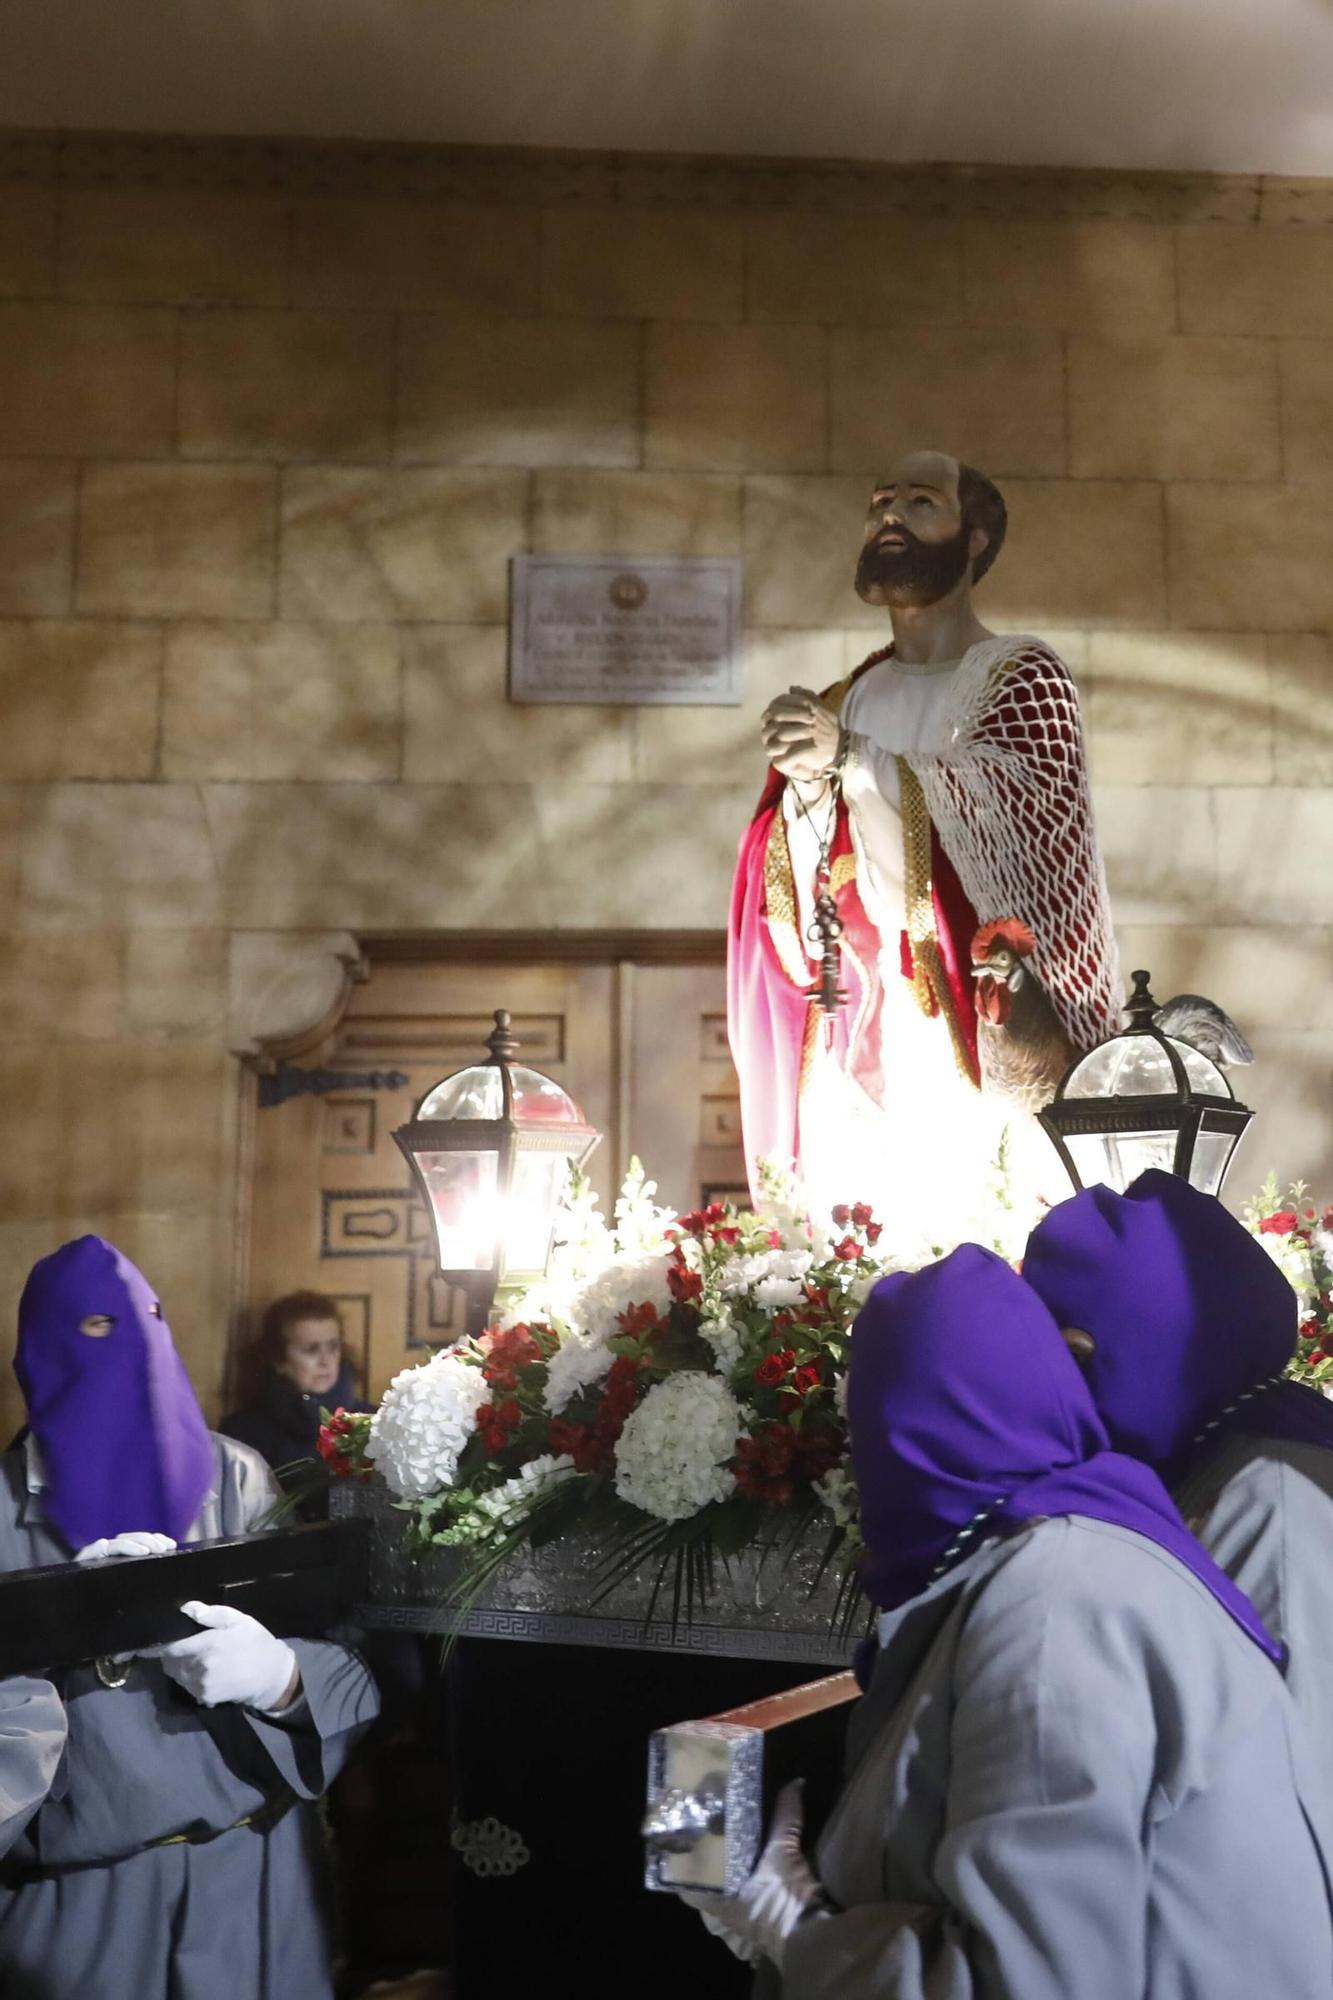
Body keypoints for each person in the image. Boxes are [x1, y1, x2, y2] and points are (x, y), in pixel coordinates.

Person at [679, 1245, 1333, 1997]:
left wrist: (793, 1926)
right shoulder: (1065, 1552)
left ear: (906, 1438)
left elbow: (1033, 1978)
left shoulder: (1056, 1601)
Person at [728, 450, 1120, 1247]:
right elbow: (806, 878)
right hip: (863, 1022)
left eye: (918, 502)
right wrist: (805, 793)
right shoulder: (852, 694)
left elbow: (1017, 824)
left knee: (977, 1239)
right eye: (878, 505)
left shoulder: (1020, 676)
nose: (889, 519)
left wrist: (852, 761)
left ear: (973, 539)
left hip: (970, 1029)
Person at [0, 1235, 380, 1999]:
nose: (134, 1345)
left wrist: (282, 1679)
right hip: (83, 1905)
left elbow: (345, 1659)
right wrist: (52, 1642)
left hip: (258, 1880)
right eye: (97, 1327)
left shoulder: (236, 1477)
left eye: (150, 1318)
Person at [1022, 1167, 1333, 1803]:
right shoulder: (1230, 1443)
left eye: (1072, 1354)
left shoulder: (1271, 1490)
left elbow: (1290, 1774)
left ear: (1136, 1338)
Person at [222, 1289, 372, 1514]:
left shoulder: (371, 1420)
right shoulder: (246, 1432)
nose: (325, 1361)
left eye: (333, 1347)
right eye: (311, 1350)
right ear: (279, 1360)